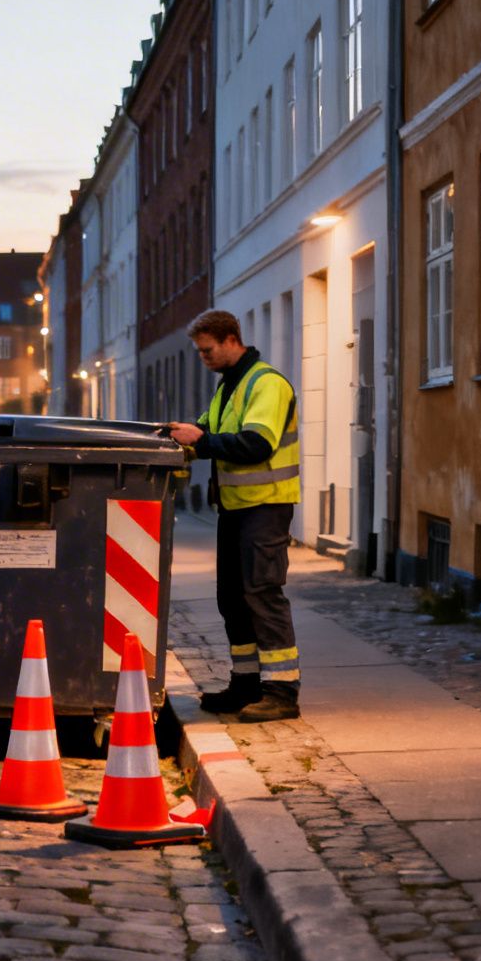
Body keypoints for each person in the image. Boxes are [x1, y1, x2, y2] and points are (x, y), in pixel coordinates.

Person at [164, 310, 302, 723]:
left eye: (207, 350)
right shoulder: (230, 387)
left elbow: (256, 444)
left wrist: (202, 441)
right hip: (237, 508)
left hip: (266, 506)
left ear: (230, 339)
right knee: (232, 599)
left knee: (262, 594)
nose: (203, 358)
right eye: (200, 352)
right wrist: (178, 438)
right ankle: (246, 684)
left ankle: (281, 691)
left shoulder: (267, 384)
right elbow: (206, 434)